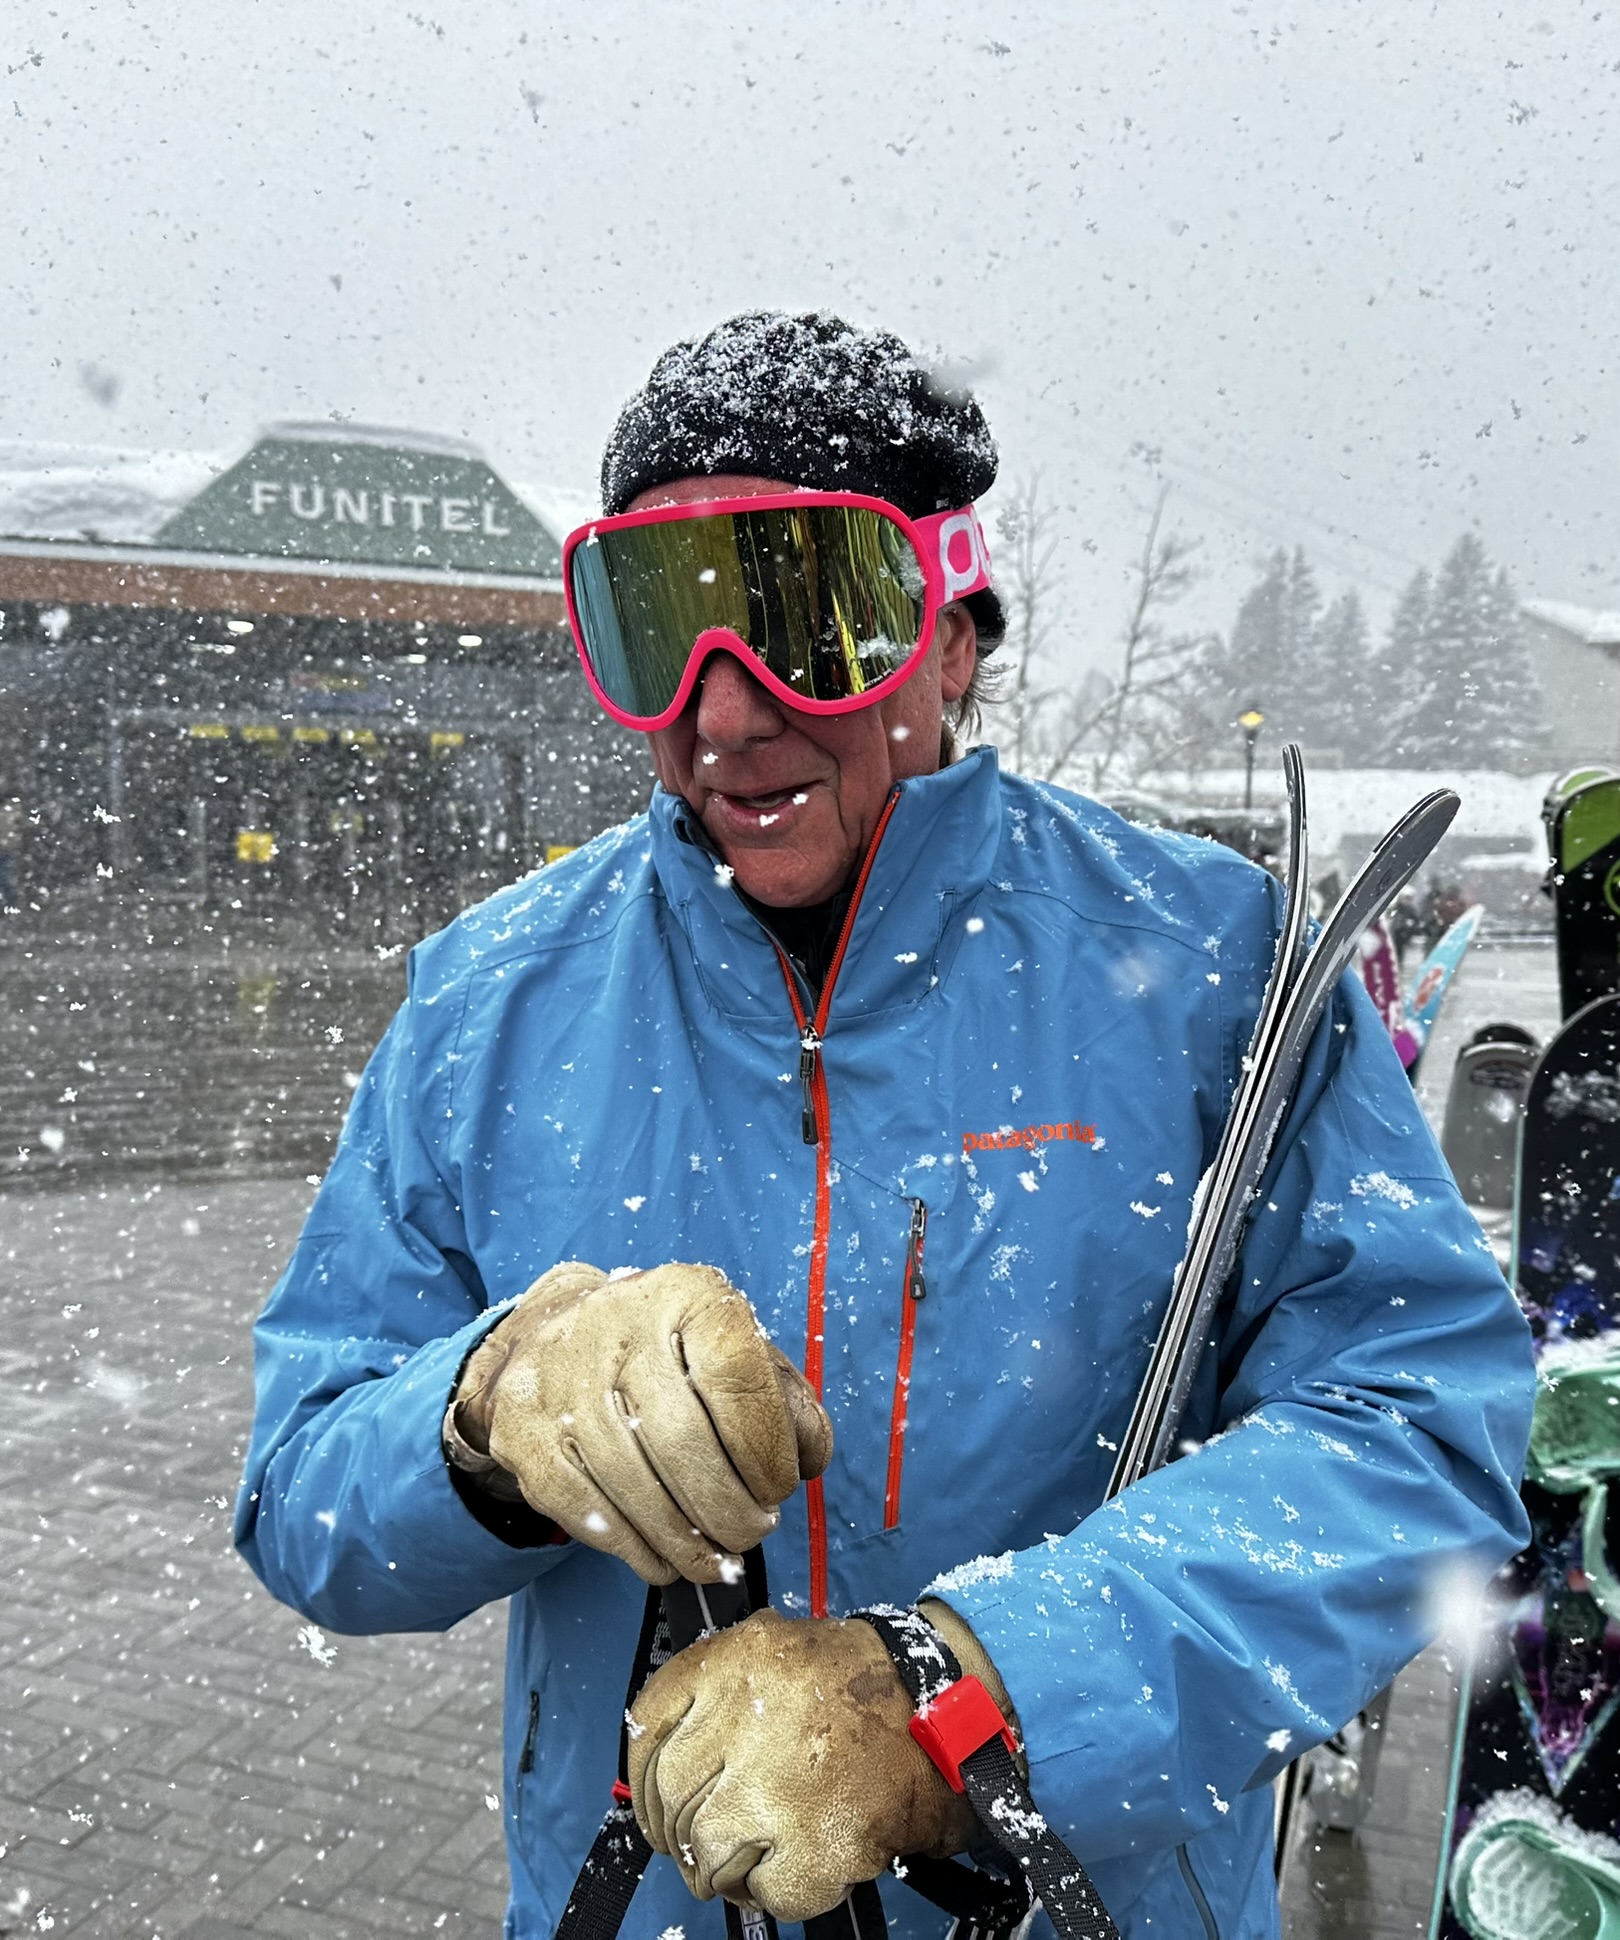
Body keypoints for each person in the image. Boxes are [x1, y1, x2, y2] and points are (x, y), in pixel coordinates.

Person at [237, 311, 1533, 1938]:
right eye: (660, 630)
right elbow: (301, 1497)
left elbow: (1423, 1434)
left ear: (952, 632)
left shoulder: (1210, 974)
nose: (724, 713)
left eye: (801, 616)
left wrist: (980, 1697)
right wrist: (480, 1421)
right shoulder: (489, 1005)